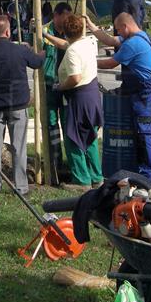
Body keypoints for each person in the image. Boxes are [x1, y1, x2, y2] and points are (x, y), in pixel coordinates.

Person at [0, 15, 45, 196]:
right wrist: (44, 51)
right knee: (19, 147)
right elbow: (37, 62)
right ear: (7, 31)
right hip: (18, 106)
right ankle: (21, 187)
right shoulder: (19, 51)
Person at [88, 12, 151, 182]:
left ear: (125, 27)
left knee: (146, 132)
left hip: (147, 93)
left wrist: (86, 60)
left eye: (118, 30)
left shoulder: (133, 44)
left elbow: (110, 64)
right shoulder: (140, 36)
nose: (118, 34)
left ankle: (149, 175)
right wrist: (91, 26)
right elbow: (111, 41)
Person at [43, 14, 103, 190]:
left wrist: (60, 87)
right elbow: (64, 43)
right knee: (89, 135)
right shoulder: (87, 43)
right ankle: (96, 176)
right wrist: (45, 35)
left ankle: (82, 180)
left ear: (65, 31)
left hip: (79, 97)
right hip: (92, 96)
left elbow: (75, 78)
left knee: (73, 138)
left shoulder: (73, 52)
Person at [41, 2, 72, 185]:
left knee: (68, 123)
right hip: (50, 84)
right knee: (51, 124)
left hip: (67, 85)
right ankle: (54, 162)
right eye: (65, 17)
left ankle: (71, 162)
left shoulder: (71, 30)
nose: (67, 21)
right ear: (56, 15)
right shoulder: (43, 31)